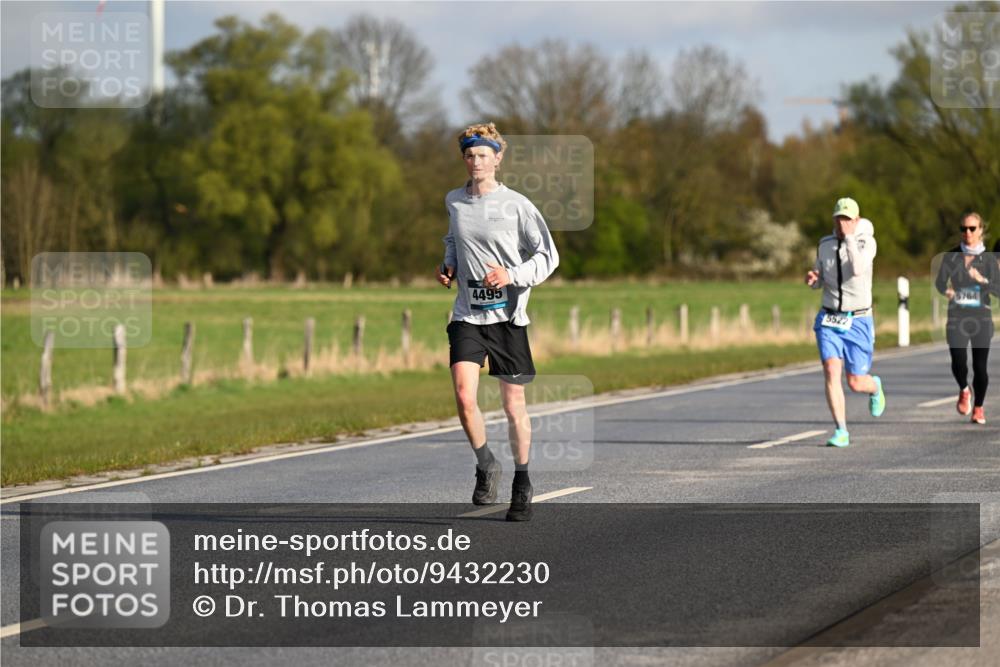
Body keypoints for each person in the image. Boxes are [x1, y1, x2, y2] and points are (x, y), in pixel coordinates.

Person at [437, 122, 559, 521]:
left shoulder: (517, 205)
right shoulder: (454, 200)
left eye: (484, 155)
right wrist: (449, 264)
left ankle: (522, 480)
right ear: (464, 159)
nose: (476, 161)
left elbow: (547, 256)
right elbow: (454, 238)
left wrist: (512, 275)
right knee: (463, 395)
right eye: (470, 155)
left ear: (498, 159)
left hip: (508, 317)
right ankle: (486, 463)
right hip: (468, 314)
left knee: (512, 404)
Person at [805, 197, 886, 447]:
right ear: (833, 219)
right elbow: (823, 276)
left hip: (858, 320)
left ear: (857, 220)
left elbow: (859, 268)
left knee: (855, 382)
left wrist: (850, 238)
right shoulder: (825, 245)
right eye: (839, 219)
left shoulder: (866, 242)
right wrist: (815, 279)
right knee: (831, 370)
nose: (843, 224)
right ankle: (841, 430)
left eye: (848, 219)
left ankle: (874, 387)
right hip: (830, 318)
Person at [935, 212, 999, 425]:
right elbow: (940, 283)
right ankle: (964, 389)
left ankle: (979, 408)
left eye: (972, 228)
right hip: (957, 317)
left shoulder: (989, 259)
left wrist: (982, 280)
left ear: (981, 230)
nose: (967, 233)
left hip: (981, 318)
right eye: (963, 229)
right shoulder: (951, 256)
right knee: (958, 362)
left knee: (980, 367)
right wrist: (947, 292)